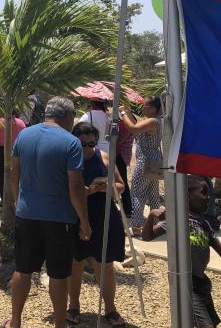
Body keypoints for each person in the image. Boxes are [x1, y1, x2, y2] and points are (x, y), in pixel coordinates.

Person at [3, 97, 91, 328]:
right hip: (59, 218)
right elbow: (75, 186)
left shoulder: (24, 135)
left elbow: (14, 171)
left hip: (27, 214)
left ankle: (15, 321)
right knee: (59, 274)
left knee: (22, 269)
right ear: (68, 117)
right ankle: (60, 324)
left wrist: (19, 199)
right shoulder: (71, 143)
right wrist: (84, 220)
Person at [143, 176, 221, 327]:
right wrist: (151, 215)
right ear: (188, 195)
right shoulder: (176, 220)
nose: (208, 197)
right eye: (204, 193)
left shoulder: (204, 224)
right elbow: (147, 236)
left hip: (202, 283)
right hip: (186, 284)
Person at [67, 122, 126, 326]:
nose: (87, 149)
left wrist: (102, 187)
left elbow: (121, 186)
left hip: (104, 214)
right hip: (75, 215)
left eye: (91, 144)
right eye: (82, 144)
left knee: (106, 264)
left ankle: (110, 309)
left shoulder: (104, 157)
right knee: (76, 263)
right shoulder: (66, 158)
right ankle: (73, 306)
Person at [119, 97, 162, 235]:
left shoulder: (153, 121)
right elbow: (136, 123)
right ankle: (158, 224)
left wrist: (124, 114)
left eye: (146, 106)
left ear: (154, 108)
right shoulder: (157, 121)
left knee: (137, 193)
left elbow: (132, 128)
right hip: (154, 160)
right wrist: (128, 112)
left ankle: (136, 226)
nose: (143, 108)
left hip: (145, 161)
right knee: (153, 193)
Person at [0, 111, 26, 204]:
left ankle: (5, 202)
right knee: (17, 177)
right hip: (17, 152)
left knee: (2, 177)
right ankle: (17, 200)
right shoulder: (21, 123)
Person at [114, 118, 134, 218]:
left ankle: (127, 209)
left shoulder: (124, 124)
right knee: (123, 181)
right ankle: (127, 209)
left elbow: (120, 140)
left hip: (120, 155)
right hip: (125, 155)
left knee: (122, 182)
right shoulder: (130, 122)